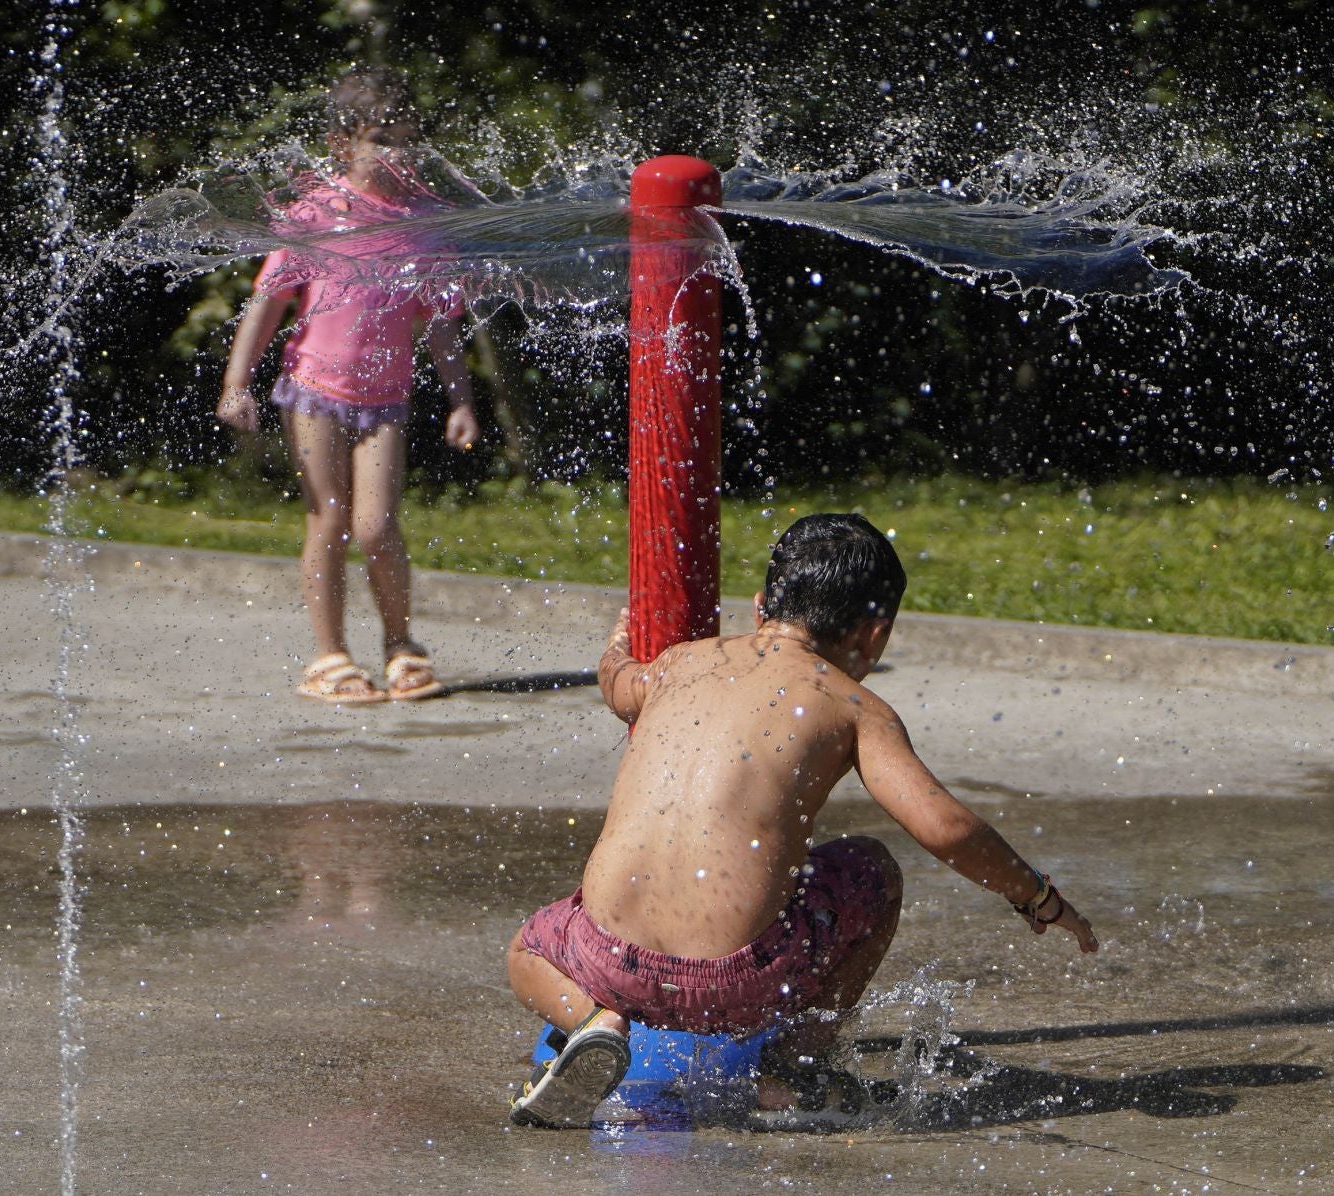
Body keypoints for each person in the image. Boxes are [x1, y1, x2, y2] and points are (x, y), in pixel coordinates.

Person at [505, 513, 1100, 1129]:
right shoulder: (852, 706)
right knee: (873, 870)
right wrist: (1034, 894)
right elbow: (946, 828)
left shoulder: (677, 665)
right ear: (873, 636)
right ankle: (792, 1068)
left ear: (761, 606)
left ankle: (592, 1024)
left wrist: (614, 648)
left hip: (610, 963)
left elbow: (618, 683)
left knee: (528, 947)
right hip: (740, 981)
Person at [217, 67, 481, 703]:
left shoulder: (422, 222)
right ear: (344, 146)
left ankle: (401, 643)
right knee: (327, 517)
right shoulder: (316, 215)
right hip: (314, 391)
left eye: (407, 140)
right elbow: (268, 304)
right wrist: (237, 384)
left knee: (376, 525)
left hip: (385, 398)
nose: (399, 155)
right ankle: (330, 654)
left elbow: (440, 324)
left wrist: (461, 399)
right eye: (383, 141)